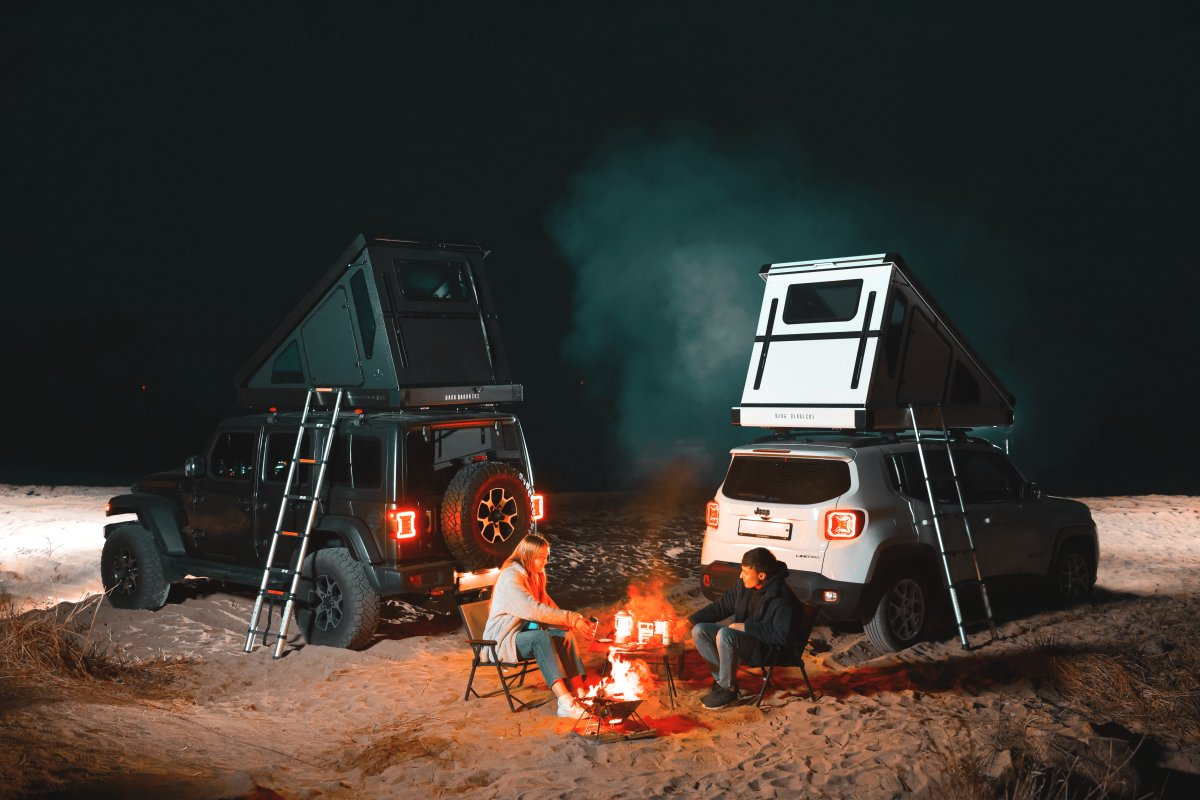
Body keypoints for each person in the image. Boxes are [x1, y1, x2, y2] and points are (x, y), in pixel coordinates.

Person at [482, 533, 595, 718]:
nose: (545, 562)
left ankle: (581, 694)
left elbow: (548, 606)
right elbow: (534, 610)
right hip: (501, 641)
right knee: (540, 638)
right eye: (541, 558)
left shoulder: (535, 575)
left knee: (563, 636)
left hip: (522, 632)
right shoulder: (511, 577)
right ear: (527, 555)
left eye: (546, 556)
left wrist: (574, 624)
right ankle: (565, 704)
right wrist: (571, 618)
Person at [688, 547, 807, 709]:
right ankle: (722, 683)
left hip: (769, 648)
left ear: (761, 575)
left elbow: (783, 637)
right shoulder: (744, 587)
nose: (740, 575)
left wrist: (747, 627)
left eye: (745, 571)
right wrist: (691, 621)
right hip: (747, 641)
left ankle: (728, 690)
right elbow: (720, 607)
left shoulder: (783, 599)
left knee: (725, 634)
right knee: (700, 630)